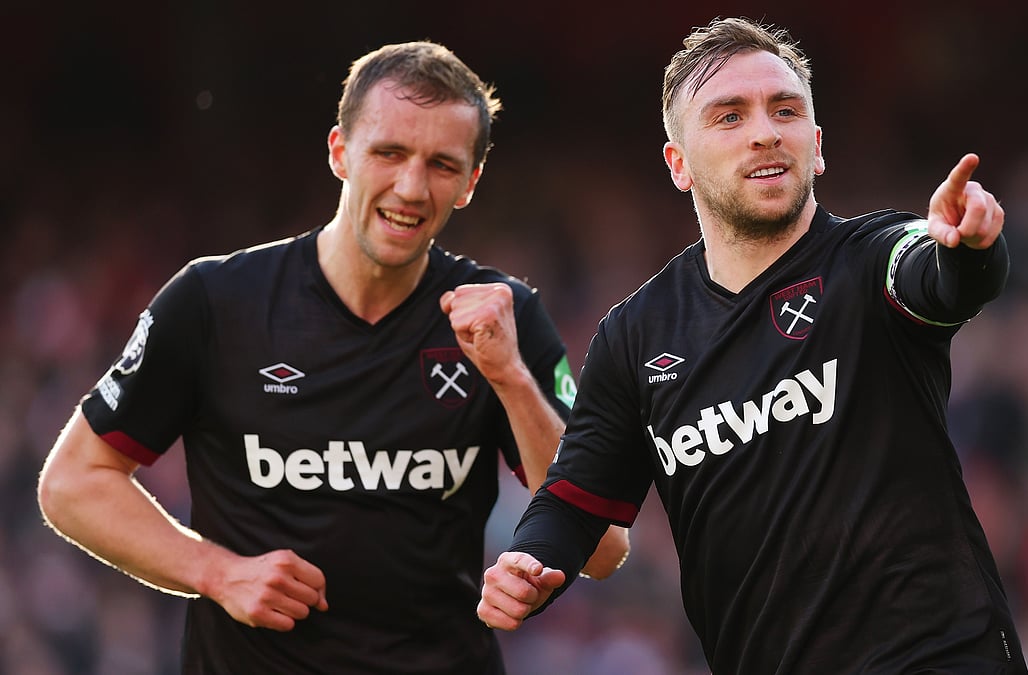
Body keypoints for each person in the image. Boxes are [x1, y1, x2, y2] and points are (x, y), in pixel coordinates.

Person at [37, 41, 628, 674]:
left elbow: (602, 549)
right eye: (389, 153)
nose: (411, 187)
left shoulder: (503, 317)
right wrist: (216, 571)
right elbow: (72, 483)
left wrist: (510, 378)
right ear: (340, 151)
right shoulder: (215, 301)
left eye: (441, 164)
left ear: (470, 183)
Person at [478, 17, 1028, 675]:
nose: (765, 131)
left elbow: (941, 277)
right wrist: (530, 559)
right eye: (730, 116)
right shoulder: (635, 335)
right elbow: (577, 500)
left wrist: (969, 246)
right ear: (679, 165)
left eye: (785, 110)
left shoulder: (872, 257)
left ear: (816, 146)